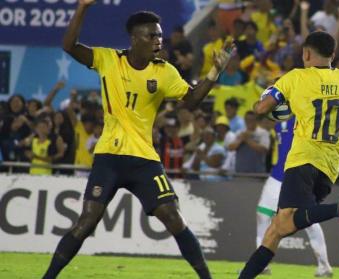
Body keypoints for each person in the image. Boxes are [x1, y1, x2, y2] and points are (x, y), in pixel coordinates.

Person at [42, 1, 234, 278]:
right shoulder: (109, 60)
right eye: (151, 35)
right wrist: (83, 8)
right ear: (134, 38)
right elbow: (69, 46)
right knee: (86, 222)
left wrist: (214, 73)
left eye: (159, 34)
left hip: (144, 159)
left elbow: (191, 101)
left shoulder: (164, 71)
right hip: (109, 156)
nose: (158, 40)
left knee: (174, 217)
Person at [238, 31, 339, 278]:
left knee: (282, 225)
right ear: (332, 55)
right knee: (276, 230)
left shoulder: (296, 77)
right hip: (329, 168)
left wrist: (269, 92)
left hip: (302, 159)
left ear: (307, 53)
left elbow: (260, 109)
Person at [256, 118, 333, 277]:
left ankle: (324, 266)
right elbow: (262, 114)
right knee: (262, 216)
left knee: (309, 221)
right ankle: (261, 265)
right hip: (277, 176)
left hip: (297, 176)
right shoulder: (279, 123)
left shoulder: (305, 118)